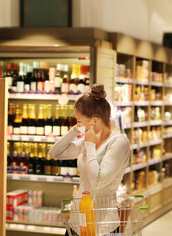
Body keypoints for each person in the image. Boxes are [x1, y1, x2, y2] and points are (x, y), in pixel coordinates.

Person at [48, 84, 130, 236]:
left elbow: (98, 182)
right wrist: (75, 130)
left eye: (79, 121)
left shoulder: (118, 143)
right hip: (76, 223)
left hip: (102, 227)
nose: (77, 124)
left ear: (95, 121)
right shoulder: (87, 139)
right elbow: (55, 152)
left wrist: (90, 145)